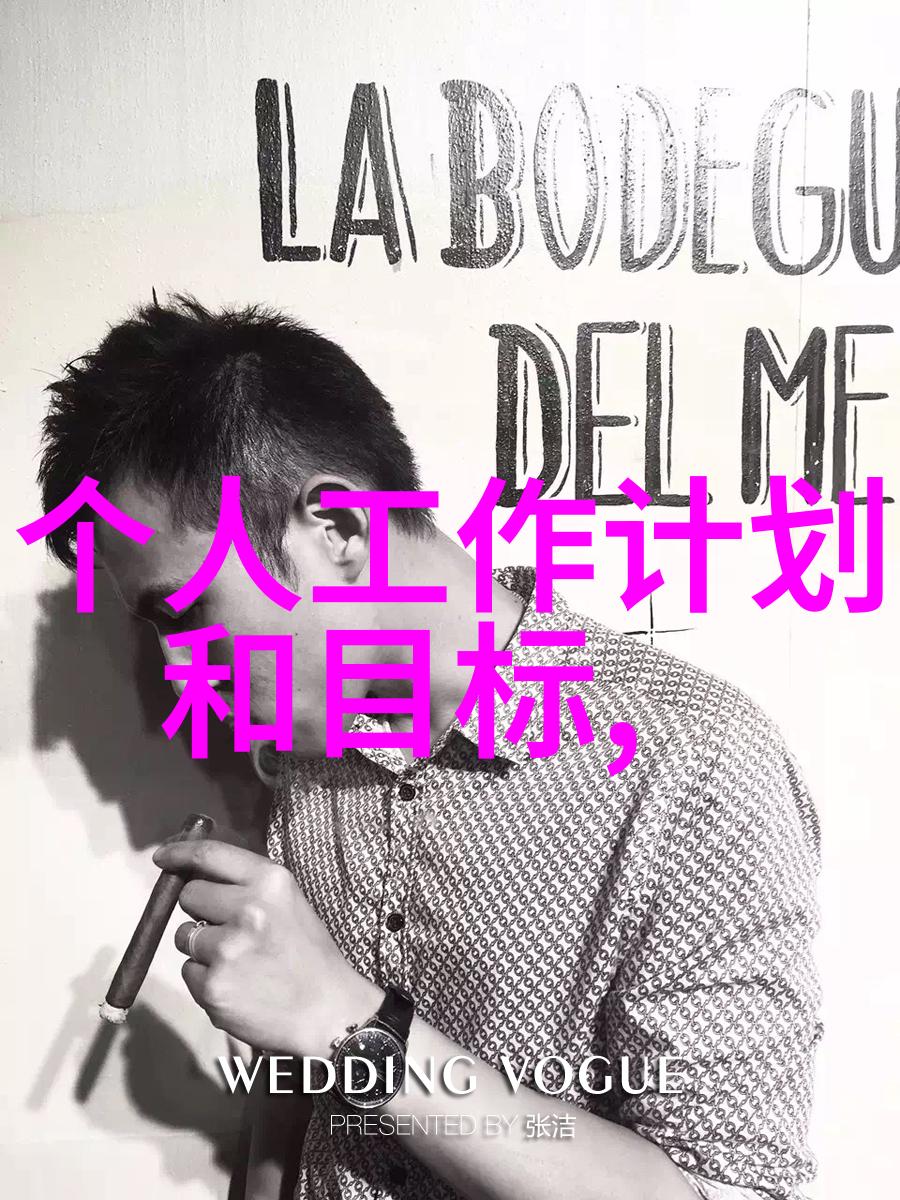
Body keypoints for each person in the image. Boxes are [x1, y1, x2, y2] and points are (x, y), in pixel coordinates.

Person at [37, 295, 821, 1200]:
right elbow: (294, 1080)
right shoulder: (306, 739)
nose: (180, 677)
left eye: (185, 613)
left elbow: (726, 1187)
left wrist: (351, 1023)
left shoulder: (692, 763)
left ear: (337, 530)